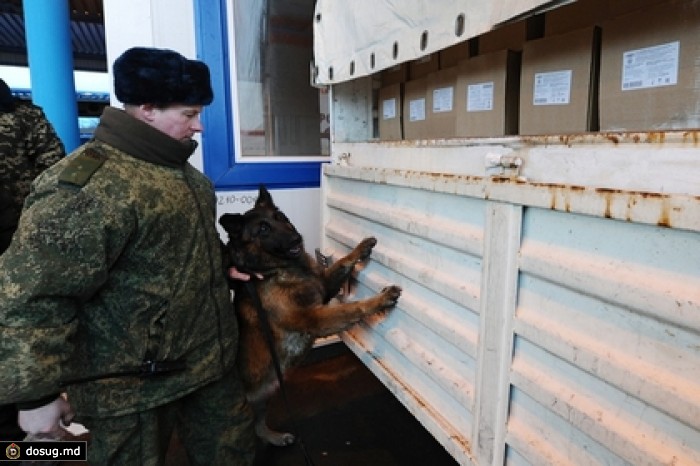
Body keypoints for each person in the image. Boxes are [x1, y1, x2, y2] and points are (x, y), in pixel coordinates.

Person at [0, 47, 256, 464]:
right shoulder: (89, 186)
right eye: (189, 114)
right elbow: (32, 295)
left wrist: (221, 264)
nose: (200, 126)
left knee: (236, 454)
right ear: (149, 109)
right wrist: (35, 395)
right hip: (130, 388)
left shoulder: (186, 176)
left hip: (209, 364)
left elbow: (171, 249)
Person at [0, 77, 65, 440]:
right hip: (23, 245)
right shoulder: (26, 116)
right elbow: (55, 172)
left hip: (19, 242)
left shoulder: (24, 116)